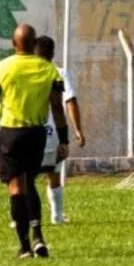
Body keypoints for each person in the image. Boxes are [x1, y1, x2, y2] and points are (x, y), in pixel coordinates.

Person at [0, 24, 69, 259]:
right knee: (30, 182)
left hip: (11, 133)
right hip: (36, 133)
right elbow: (57, 107)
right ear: (34, 42)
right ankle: (38, 234)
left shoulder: (1, 68)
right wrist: (64, 139)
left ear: (13, 43)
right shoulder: (49, 70)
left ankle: (24, 245)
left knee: (16, 188)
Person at [33, 36, 86, 225]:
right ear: (52, 54)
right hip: (53, 133)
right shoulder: (59, 73)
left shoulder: (25, 73)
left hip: (27, 131)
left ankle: (22, 218)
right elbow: (70, 101)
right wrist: (77, 130)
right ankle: (56, 215)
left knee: (24, 177)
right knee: (53, 174)